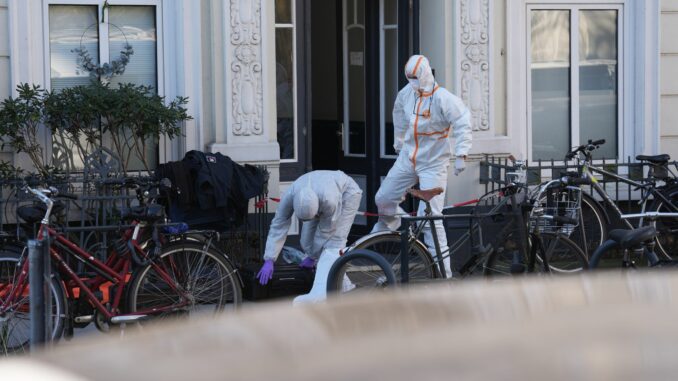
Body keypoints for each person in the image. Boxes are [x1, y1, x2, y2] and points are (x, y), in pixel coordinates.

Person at [372, 54, 472, 277]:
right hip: (408, 158)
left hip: (433, 164)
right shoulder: (406, 94)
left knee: (431, 221)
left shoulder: (444, 99)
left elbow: (463, 121)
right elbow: (398, 113)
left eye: (416, 78)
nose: (413, 83)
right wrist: (399, 140)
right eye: (409, 78)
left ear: (425, 74)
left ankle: (444, 275)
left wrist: (461, 153)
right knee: (383, 198)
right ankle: (393, 224)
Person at [257, 170, 363, 304]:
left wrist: (312, 257)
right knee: (306, 243)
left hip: (347, 194)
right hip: (317, 193)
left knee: (333, 245)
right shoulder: (290, 195)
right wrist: (269, 259)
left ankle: (320, 293)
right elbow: (279, 223)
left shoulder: (329, 200)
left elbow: (327, 230)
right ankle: (345, 287)